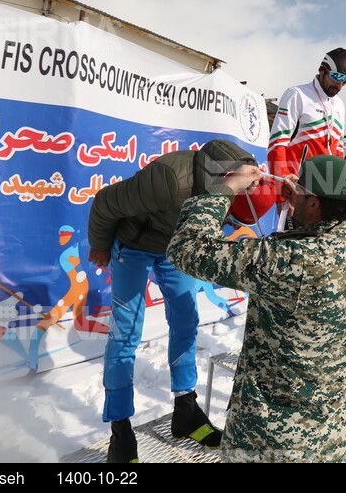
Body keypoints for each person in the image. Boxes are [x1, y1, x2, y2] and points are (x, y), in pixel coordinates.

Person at [166, 154, 346, 462]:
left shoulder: (286, 260)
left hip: (272, 442)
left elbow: (188, 247)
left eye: (303, 191)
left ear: (316, 203)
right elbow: (316, 243)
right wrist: (306, 202)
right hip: (333, 437)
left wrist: (228, 187)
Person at [87, 139, 254, 463]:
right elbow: (105, 202)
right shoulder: (169, 178)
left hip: (175, 249)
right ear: (220, 179)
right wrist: (100, 245)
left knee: (186, 322)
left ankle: (186, 410)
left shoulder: (226, 186)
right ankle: (120, 432)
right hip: (133, 246)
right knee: (125, 334)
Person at [267, 48, 346, 184]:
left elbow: (339, 150)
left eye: (345, 79)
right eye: (336, 77)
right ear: (322, 71)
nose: (340, 84)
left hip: (325, 189)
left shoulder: (340, 105)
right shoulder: (297, 94)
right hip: (297, 185)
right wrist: (281, 184)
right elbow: (278, 142)